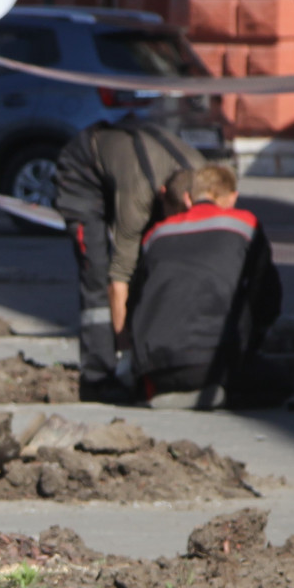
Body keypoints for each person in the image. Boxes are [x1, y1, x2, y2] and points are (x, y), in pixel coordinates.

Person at [51, 114, 203, 399]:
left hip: (133, 166)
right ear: (169, 199)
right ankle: (98, 377)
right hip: (84, 171)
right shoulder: (138, 196)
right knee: (97, 271)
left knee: (156, 264)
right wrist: (126, 354)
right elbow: (118, 280)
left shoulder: (204, 177)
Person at [127, 163, 291, 410]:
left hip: (155, 369)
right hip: (215, 363)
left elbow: (135, 301)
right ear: (232, 197)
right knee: (281, 383)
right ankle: (219, 393)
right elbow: (268, 297)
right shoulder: (246, 225)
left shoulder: (156, 234)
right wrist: (251, 340)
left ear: (188, 197)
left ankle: (165, 393)